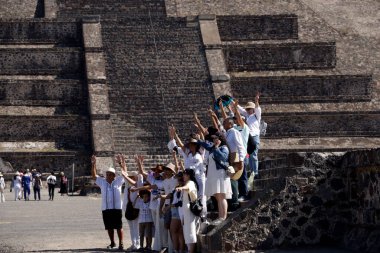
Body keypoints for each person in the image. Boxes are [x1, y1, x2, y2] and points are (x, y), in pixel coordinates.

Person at [169, 126, 207, 218]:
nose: (191, 146)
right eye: (190, 144)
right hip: (190, 177)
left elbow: (204, 140)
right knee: (191, 194)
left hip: (199, 177)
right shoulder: (187, 153)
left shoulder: (201, 152)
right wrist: (174, 135)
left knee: (201, 195)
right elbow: (180, 145)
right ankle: (193, 212)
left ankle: (202, 214)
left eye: (193, 144)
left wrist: (199, 133)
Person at [91, 155, 125, 250]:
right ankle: (112, 242)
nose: (108, 176)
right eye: (107, 174)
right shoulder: (102, 182)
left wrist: (120, 163)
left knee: (119, 227)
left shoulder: (118, 181)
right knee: (109, 227)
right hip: (106, 208)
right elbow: (94, 176)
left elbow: (124, 173)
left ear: (114, 175)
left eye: (110, 174)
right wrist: (93, 164)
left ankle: (121, 243)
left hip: (117, 208)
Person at [198, 132, 232, 225]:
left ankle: (223, 217)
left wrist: (217, 147)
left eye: (216, 138)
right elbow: (205, 144)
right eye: (213, 139)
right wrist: (198, 139)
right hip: (213, 175)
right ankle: (220, 216)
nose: (214, 140)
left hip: (220, 174)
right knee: (218, 197)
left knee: (222, 196)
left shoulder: (224, 148)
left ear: (220, 139)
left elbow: (223, 157)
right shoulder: (212, 148)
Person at [133, 155, 164, 252]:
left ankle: (160, 246)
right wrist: (139, 163)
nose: (155, 173)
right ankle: (156, 246)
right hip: (152, 206)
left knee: (159, 226)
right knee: (156, 226)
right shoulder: (153, 179)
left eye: (157, 171)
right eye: (155, 171)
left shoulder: (162, 182)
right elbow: (142, 173)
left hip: (160, 205)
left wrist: (137, 189)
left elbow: (148, 188)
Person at [118, 154, 143, 252]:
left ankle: (137, 244)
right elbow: (125, 173)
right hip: (128, 208)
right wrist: (121, 163)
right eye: (131, 176)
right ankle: (134, 244)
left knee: (136, 227)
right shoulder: (128, 184)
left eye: (134, 176)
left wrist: (139, 163)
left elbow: (136, 178)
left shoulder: (138, 183)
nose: (132, 177)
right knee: (131, 227)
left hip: (136, 208)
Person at [223, 117, 246, 210]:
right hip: (230, 158)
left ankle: (234, 202)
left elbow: (241, 147)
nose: (223, 124)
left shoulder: (234, 132)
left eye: (225, 123)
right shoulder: (227, 133)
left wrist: (241, 160)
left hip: (235, 158)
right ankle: (232, 201)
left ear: (231, 124)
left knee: (233, 179)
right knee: (230, 179)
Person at [237, 92, 261, 177]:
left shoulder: (256, 115)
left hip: (254, 136)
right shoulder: (246, 114)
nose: (247, 110)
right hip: (248, 137)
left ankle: (255, 172)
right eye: (247, 109)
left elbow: (258, 108)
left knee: (254, 155)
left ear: (253, 109)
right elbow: (239, 109)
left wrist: (256, 100)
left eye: (249, 109)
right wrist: (232, 101)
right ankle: (252, 171)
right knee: (249, 154)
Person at [176, 169, 198, 253]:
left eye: (184, 174)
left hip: (189, 210)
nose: (183, 176)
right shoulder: (187, 182)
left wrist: (181, 188)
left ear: (188, 175)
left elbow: (188, 188)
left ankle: (191, 251)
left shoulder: (191, 183)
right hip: (185, 211)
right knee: (186, 231)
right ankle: (189, 250)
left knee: (190, 231)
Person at [169, 171, 186, 253]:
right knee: (179, 232)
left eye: (179, 178)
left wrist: (169, 206)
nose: (178, 180)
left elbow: (180, 202)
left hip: (177, 210)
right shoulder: (178, 187)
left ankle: (176, 249)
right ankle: (179, 250)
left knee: (174, 231)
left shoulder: (182, 188)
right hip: (176, 210)